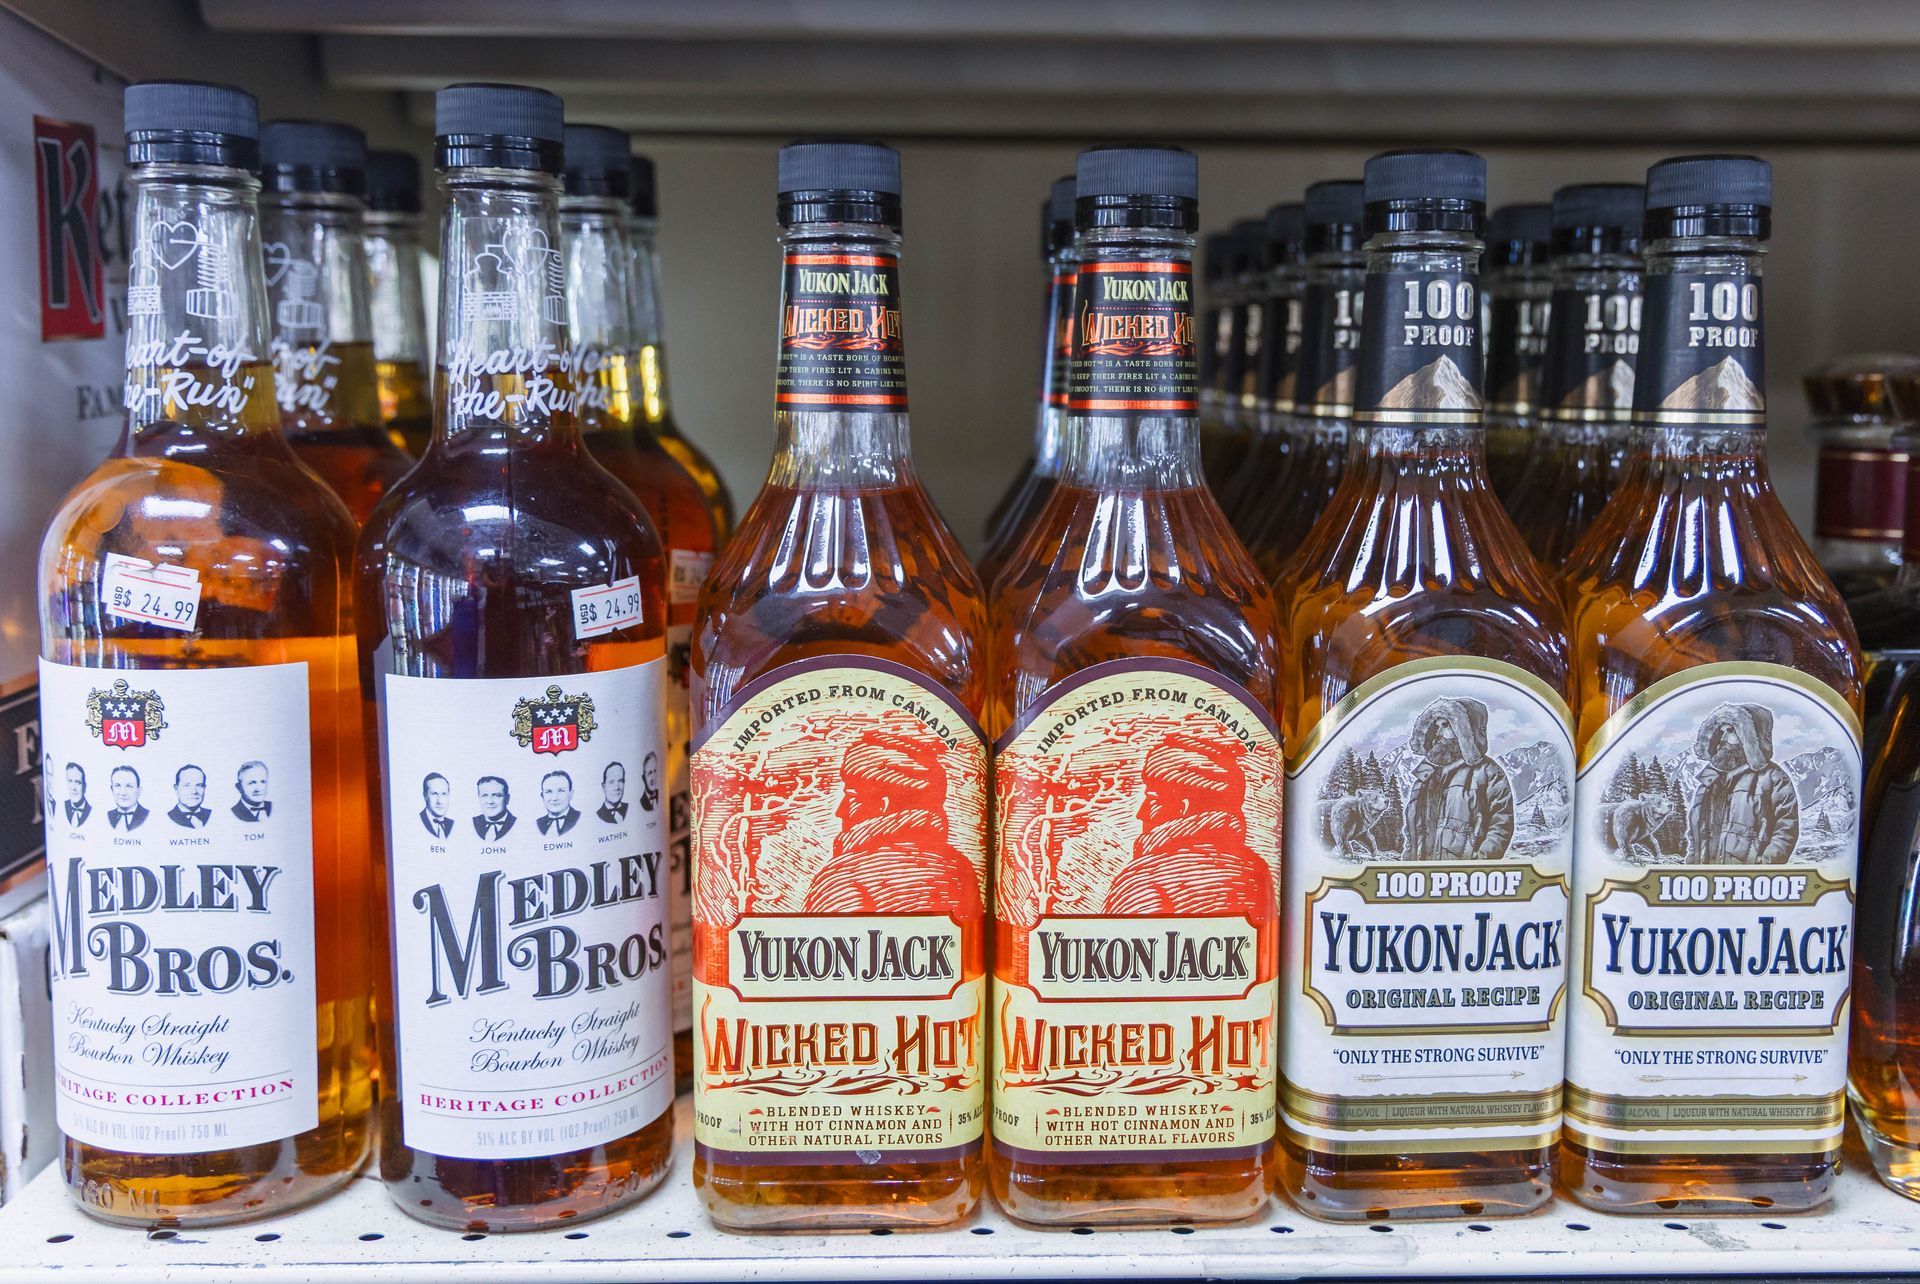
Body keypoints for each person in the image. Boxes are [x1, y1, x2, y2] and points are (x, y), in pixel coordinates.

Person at [803, 730, 982, 920]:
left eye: (851, 797)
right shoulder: (960, 870)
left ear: (883, 805)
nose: (840, 811)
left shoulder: (841, 877)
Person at [1104, 735, 1273, 926]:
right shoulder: (1256, 870)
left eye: (1152, 799)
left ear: (1182, 807)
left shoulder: (1140, 879)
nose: (1141, 813)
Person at [1403, 697, 1514, 862]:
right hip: (1422, 878)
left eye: (1446, 725)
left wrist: (1481, 866)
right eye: (1436, 726)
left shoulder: (1488, 772)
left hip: (1468, 879)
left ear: (1466, 731)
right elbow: (1412, 830)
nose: (1438, 733)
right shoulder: (1426, 774)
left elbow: (1501, 825)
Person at [1690, 702, 1799, 864]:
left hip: (1753, 882)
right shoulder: (1710, 779)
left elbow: (1786, 830)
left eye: (1731, 731)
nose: (1723, 738)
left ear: (1751, 736)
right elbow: (1695, 834)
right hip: (1707, 881)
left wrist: (1764, 869)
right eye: (1721, 731)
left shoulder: (1774, 778)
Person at [537, 769, 581, 836]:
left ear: (571, 794)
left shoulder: (580, 818)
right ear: (542, 796)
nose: (554, 798)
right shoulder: (538, 823)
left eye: (561, 791)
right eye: (549, 792)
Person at [168, 764, 213, 828]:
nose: (194, 791)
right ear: (176, 788)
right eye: (187, 785)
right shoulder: (168, 818)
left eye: (199, 785)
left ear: (204, 788)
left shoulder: (212, 815)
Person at [472, 775, 516, 840]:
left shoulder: (518, 824)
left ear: (507, 799)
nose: (490, 801)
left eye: (496, 795)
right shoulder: (471, 823)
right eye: (484, 795)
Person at [107, 764, 148, 831]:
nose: (123, 793)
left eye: (129, 786)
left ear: (139, 791)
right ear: (112, 789)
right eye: (117, 785)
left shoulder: (147, 816)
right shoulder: (107, 816)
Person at [419, 772, 454, 838]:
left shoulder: (453, 825)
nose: (439, 801)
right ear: (425, 796)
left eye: (444, 794)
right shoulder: (416, 821)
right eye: (434, 794)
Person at [61, 762, 91, 828]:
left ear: (84, 786)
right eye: (70, 781)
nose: (73, 788)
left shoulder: (91, 810)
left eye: (78, 782)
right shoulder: (62, 806)